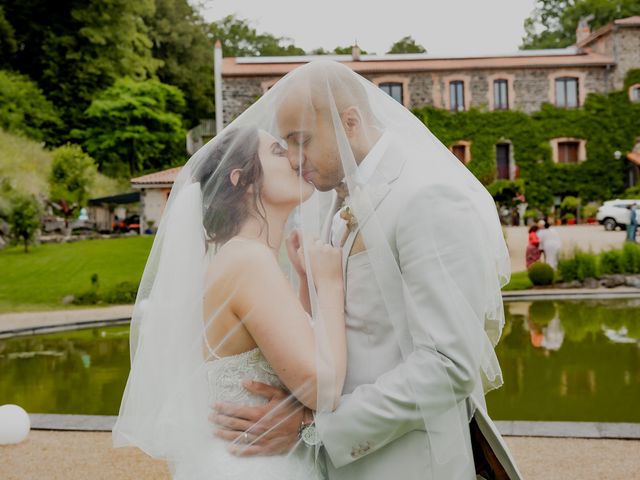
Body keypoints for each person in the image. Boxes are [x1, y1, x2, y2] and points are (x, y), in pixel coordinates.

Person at [210, 61, 522, 479]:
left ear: (350, 122)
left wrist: (313, 426)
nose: (296, 159)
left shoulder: (428, 197)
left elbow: (449, 365)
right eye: (285, 145)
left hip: (409, 464)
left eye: (301, 140)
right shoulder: (337, 211)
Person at [112, 125, 347, 479]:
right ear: (243, 180)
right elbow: (322, 390)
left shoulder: (241, 257)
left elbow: (289, 349)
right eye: (279, 153)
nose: (296, 160)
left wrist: (305, 283)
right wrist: (331, 288)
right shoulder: (249, 261)